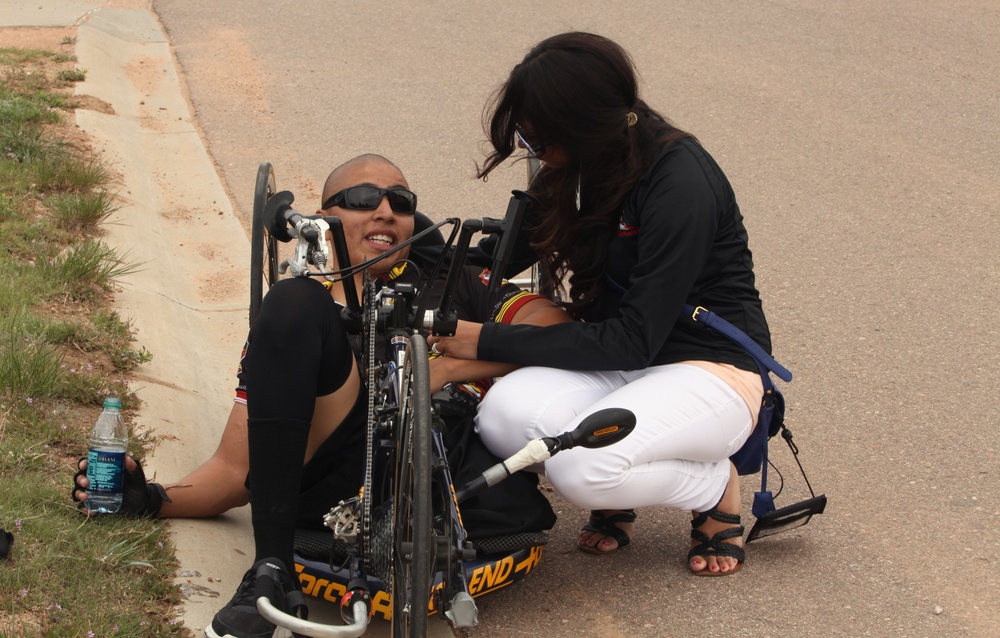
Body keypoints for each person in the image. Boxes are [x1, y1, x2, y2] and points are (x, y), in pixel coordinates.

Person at [73, 154, 570, 638]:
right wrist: (154, 500)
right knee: (292, 301)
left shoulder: (454, 280)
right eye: (362, 198)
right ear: (324, 217)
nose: (385, 211)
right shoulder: (297, 314)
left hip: (457, 463)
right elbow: (235, 467)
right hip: (347, 469)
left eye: (400, 200)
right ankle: (270, 571)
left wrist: (453, 365)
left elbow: (554, 327)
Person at [430, 32, 775, 577]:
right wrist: (402, 252)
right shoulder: (579, 164)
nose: (532, 150)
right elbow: (498, 256)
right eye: (526, 135)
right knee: (500, 417)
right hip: (627, 365)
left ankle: (714, 487)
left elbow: (633, 337)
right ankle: (626, 481)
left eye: (538, 139)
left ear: (583, 126)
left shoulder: (679, 182)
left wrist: (481, 338)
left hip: (709, 370)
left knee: (580, 466)